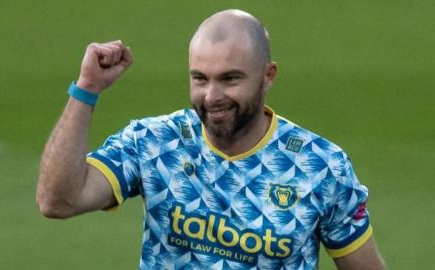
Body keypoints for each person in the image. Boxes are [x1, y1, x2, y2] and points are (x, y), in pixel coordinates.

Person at [36, 9, 386, 270]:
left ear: (268, 76)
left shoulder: (320, 167)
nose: (212, 96)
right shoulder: (155, 142)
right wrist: (87, 88)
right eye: (200, 79)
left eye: (230, 79)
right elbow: (58, 201)